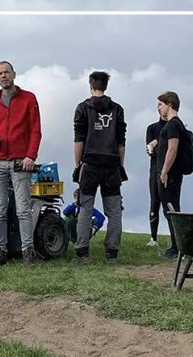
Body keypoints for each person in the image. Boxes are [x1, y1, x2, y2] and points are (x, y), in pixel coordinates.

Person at [0, 60, 42, 266]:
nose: (4, 76)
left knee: (23, 208)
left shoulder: (28, 99)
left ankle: (28, 252)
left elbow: (35, 130)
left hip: (20, 161)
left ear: (14, 74)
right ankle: (0, 252)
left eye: (6, 72)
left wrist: (30, 156)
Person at [72, 71, 126, 264]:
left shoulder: (82, 108)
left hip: (90, 164)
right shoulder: (117, 109)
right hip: (111, 164)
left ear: (90, 85)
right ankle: (112, 252)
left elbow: (79, 140)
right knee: (114, 210)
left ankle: (82, 253)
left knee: (85, 207)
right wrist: (120, 166)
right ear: (106, 86)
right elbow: (121, 142)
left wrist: (78, 165)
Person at [155, 91, 188, 259]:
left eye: (161, 104)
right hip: (168, 173)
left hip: (171, 174)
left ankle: (178, 248)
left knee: (172, 209)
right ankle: (176, 246)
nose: (158, 108)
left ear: (170, 105)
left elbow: (172, 148)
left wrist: (165, 171)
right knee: (169, 209)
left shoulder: (174, 124)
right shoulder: (171, 125)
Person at [145, 114, 166, 248]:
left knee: (170, 204)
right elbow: (150, 150)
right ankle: (153, 238)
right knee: (154, 202)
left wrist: (157, 143)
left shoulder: (175, 126)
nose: (159, 108)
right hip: (154, 168)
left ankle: (176, 240)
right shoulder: (152, 128)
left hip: (170, 169)